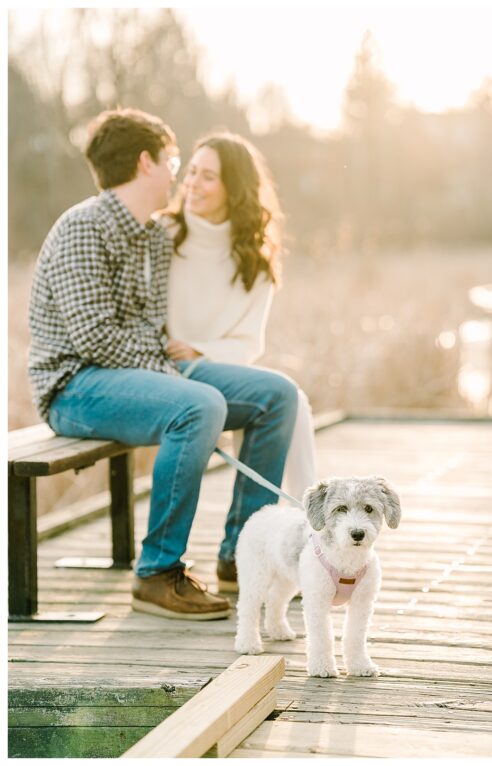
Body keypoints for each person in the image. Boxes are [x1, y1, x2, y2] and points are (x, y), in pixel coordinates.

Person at [28, 108, 298, 621]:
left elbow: (154, 322)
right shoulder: (82, 226)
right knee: (198, 406)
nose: (179, 173)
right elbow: (94, 337)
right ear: (146, 162)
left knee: (275, 396)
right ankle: (157, 571)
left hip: (144, 373)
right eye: (173, 161)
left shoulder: (153, 236)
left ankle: (242, 555)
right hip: (74, 386)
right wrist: (170, 370)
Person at [161, 132, 318, 591]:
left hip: (212, 366)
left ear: (234, 187)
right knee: (282, 396)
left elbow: (248, 342)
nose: (193, 183)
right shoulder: (162, 235)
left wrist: (202, 351)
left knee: (288, 402)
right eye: (191, 171)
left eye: (208, 176)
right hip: (161, 371)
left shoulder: (253, 256)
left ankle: (239, 554)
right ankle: (251, 549)